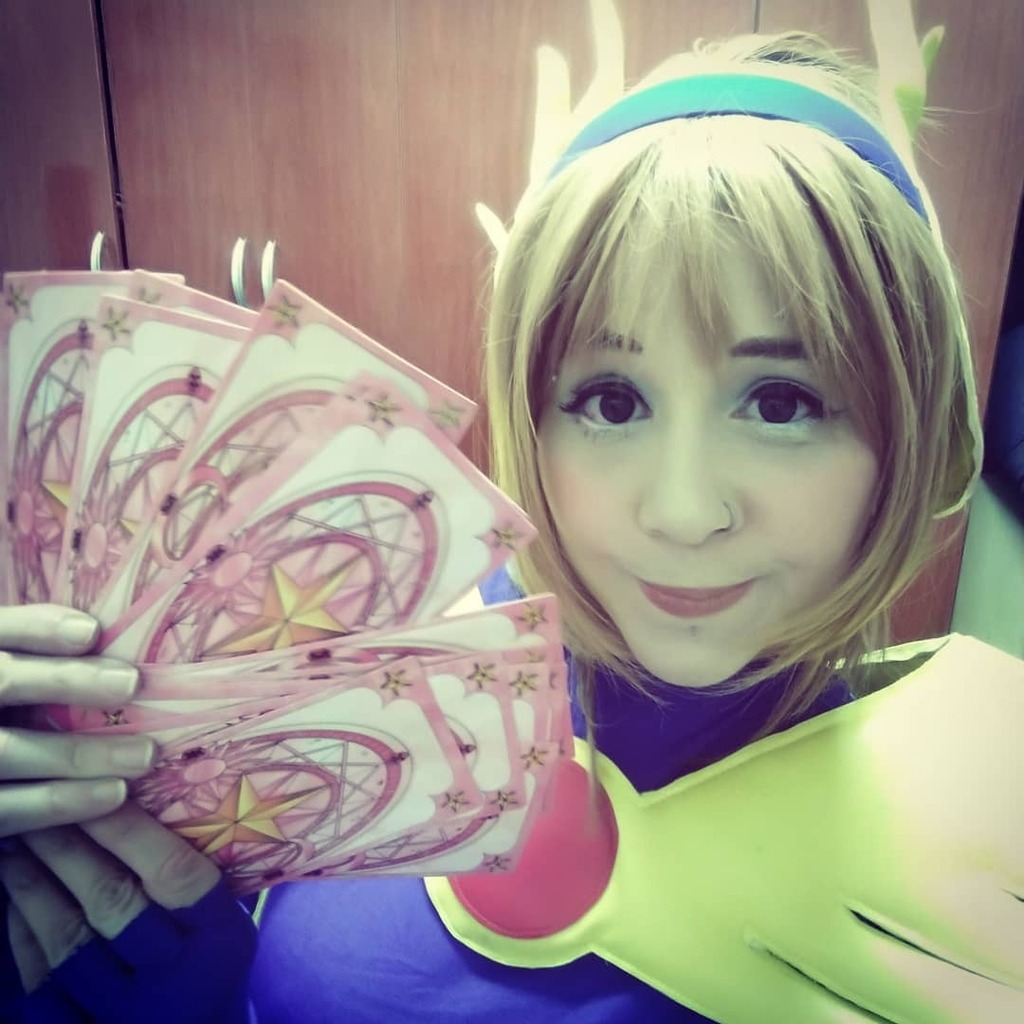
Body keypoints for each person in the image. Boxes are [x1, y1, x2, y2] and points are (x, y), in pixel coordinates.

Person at [0, 28, 996, 1024]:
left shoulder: (978, 825)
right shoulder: (343, 653)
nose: (684, 513)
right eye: (610, 400)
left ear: (905, 429)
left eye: (781, 403)